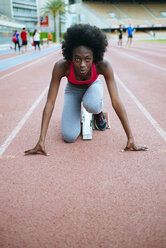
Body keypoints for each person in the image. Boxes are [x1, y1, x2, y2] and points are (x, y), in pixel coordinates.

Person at [24, 24, 148, 156]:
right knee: (69, 137)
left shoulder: (103, 65)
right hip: (73, 90)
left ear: (94, 57)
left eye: (87, 59)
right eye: (77, 59)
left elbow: (116, 101)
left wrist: (130, 138)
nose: (82, 65)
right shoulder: (61, 67)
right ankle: (76, 114)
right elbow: (50, 102)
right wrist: (41, 141)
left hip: (93, 86)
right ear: (70, 56)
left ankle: (98, 113)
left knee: (92, 104)